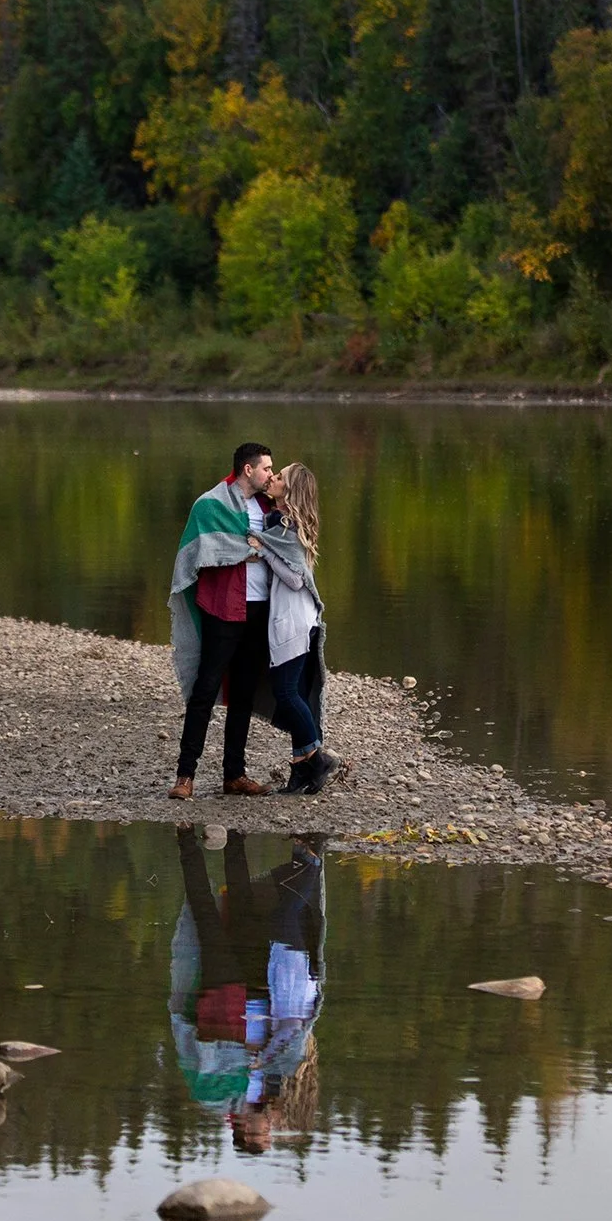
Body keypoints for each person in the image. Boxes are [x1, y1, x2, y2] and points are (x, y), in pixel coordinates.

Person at [168, 826, 327, 1153]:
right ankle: (236, 833)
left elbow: (194, 1051)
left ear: (241, 1132)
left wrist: (185, 1015)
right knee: (240, 905)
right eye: (267, 1136)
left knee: (205, 914)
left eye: (259, 1135)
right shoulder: (275, 1090)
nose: (266, 1128)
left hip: (221, 1001)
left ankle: (185, 836)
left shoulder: (213, 1099)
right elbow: (292, 1043)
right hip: (261, 990)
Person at [168, 442, 277, 799]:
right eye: (266, 469)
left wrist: (259, 548)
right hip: (223, 608)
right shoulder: (211, 504)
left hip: (260, 609)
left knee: (243, 692)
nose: (270, 475)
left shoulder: (269, 506)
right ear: (248, 469)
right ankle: (186, 775)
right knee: (205, 689)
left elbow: (287, 544)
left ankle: (235, 774)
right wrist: (248, 550)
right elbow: (202, 552)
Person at [252, 462, 345, 794]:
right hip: (292, 617)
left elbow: (294, 578)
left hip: (294, 618)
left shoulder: (287, 530)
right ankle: (299, 770)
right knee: (293, 692)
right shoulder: (283, 525)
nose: (273, 479)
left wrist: (264, 551)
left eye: (279, 477)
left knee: (286, 693)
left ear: (289, 491)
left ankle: (317, 758)